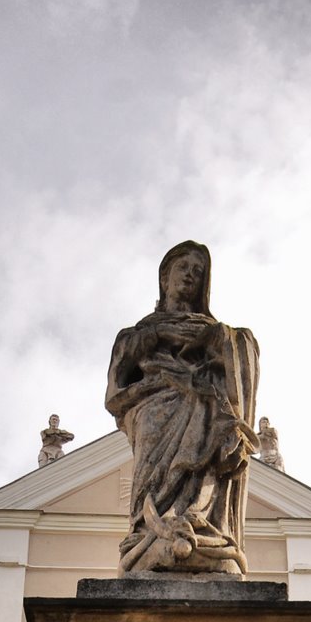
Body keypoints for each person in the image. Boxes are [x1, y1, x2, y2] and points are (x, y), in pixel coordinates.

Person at [105, 241, 259, 575]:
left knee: (210, 432)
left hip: (204, 404)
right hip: (153, 407)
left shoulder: (215, 332)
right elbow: (115, 391)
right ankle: (148, 534)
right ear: (165, 277)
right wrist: (156, 336)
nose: (190, 275)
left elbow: (237, 361)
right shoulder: (136, 334)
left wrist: (222, 340)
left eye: (198, 272)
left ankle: (199, 527)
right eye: (183, 268)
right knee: (152, 474)